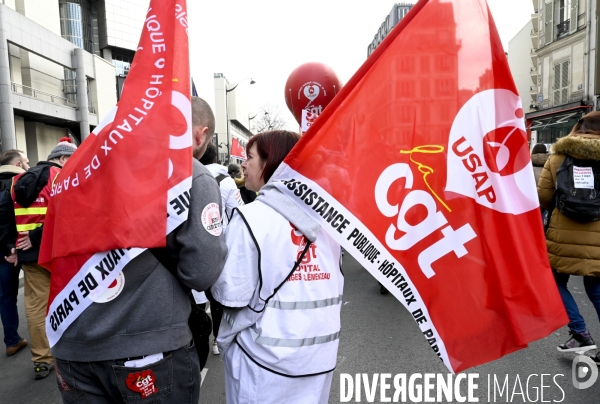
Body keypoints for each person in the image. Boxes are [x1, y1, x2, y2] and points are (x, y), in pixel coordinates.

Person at [51, 97, 227, 403]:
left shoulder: (77, 170)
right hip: (148, 352)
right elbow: (202, 273)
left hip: (70, 346)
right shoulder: (192, 174)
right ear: (200, 134)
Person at [211, 130, 344, 404]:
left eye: (249, 157)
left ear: (270, 163)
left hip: (264, 365)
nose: (243, 164)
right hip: (320, 360)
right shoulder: (331, 221)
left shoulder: (251, 218)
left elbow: (230, 295)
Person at [7, 139, 76, 379]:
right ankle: (70, 350)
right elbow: (67, 215)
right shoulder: (60, 178)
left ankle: (41, 359)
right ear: (63, 159)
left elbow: (5, 217)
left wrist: (12, 246)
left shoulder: (17, 181)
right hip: (58, 251)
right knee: (70, 301)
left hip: (29, 254)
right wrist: (37, 238)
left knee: (36, 307)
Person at [537, 112, 600, 364]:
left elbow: (542, 198)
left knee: (554, 282)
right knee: (595, 289)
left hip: (561, 236)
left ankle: (580, 332)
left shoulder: (558, 157)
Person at [0, 150, 29, 357]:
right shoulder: (18, 183)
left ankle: (12, 340)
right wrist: (10, 247)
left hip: (4, 250)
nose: (28, 165)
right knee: (37, 293)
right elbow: (8, 218)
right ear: (18, 163)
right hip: (17, 248)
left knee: (6, 296)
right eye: (26, 162)